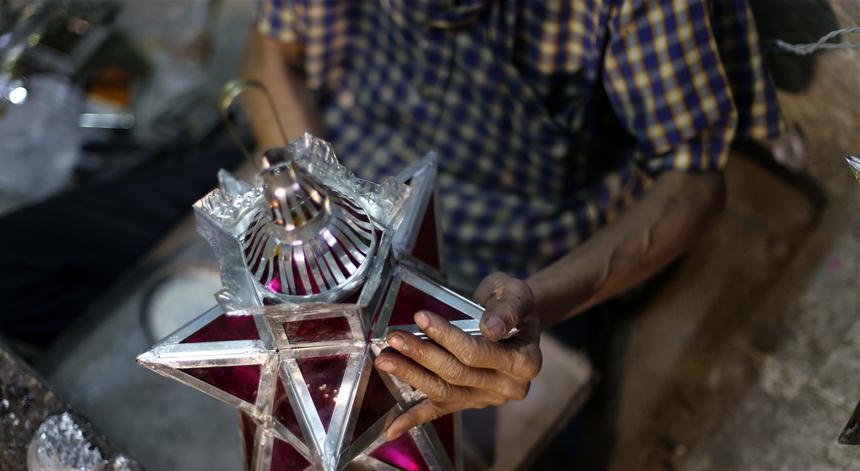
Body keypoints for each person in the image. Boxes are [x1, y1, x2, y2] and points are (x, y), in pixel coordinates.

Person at [239, 0, 780, 443]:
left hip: (521, 264)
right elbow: (272, 55)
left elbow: (692, 183)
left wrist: (534, 305)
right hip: (346, 182)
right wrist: (319, 205)